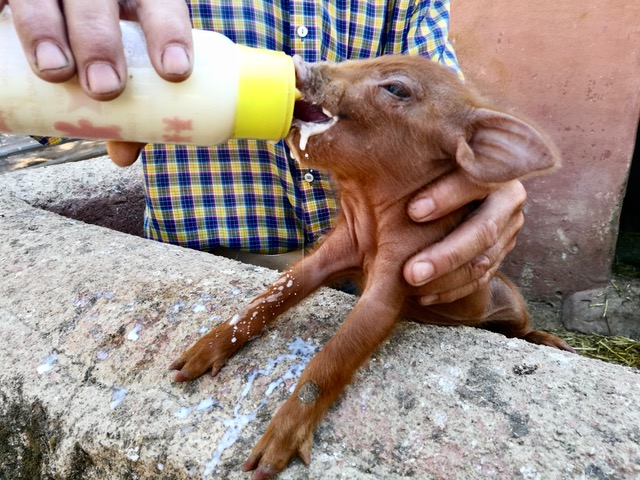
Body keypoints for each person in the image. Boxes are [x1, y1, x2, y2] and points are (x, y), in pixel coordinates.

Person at [1, 0, 526, 306]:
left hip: (371, 271)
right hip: (197, 271)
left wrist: (482, 166)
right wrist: (44, 41)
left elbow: (441, 95)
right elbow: (33, 112)